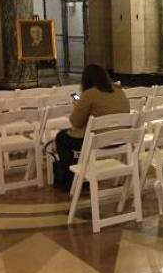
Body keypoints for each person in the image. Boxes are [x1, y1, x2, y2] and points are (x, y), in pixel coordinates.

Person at [53, 64, 130, 192]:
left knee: (62, 137)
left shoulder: (89, 94)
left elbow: (75, 122)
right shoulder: (119, 91)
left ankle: (72, 179)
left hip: (99, 142)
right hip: (121, 139)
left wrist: (78, 106)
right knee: (77, 137)